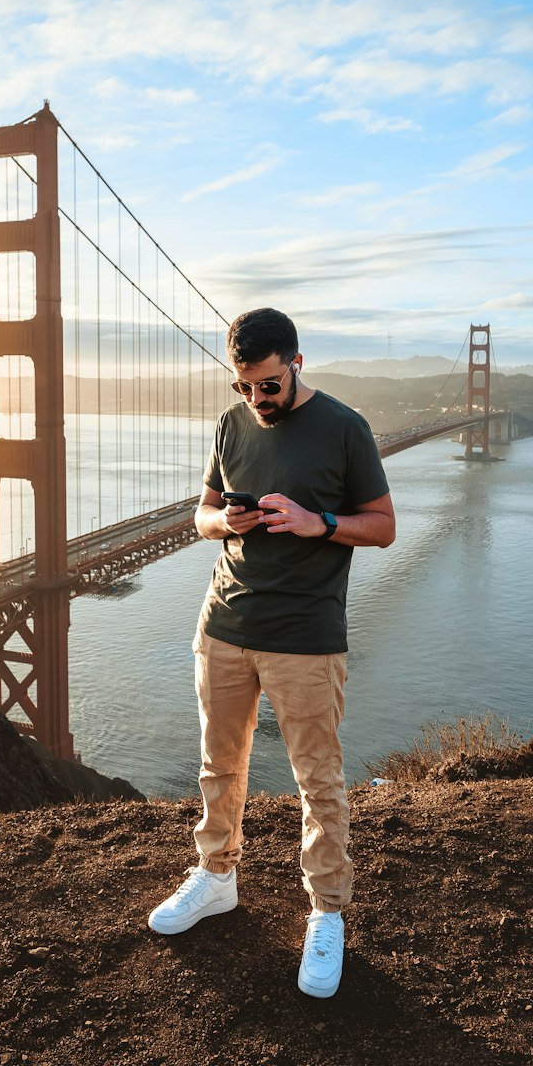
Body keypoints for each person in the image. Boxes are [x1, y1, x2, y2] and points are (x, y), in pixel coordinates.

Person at [148, 306, 395, 998]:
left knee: (317, 781)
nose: (257, 399)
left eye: (268, 385)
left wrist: (318, 524)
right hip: (224, 622)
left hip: (306, 636)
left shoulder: (345, 428)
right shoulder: (231, 425)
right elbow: (199, 515)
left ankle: (326, 912)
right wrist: (221, 520)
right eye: (244, 386)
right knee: (217, 764)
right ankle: (216, 877)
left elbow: (383, 527)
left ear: (297, 364)